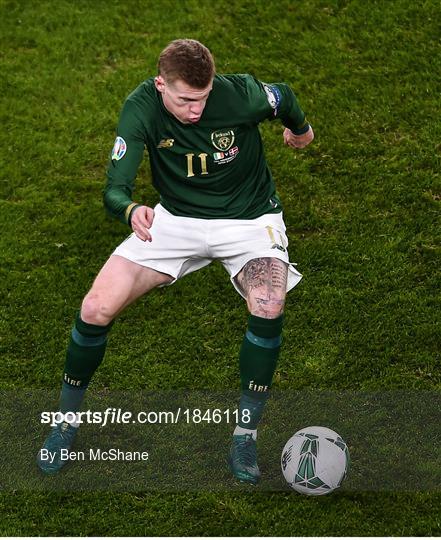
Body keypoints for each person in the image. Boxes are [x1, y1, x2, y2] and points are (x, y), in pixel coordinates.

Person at [37, 38, 314, 484]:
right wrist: (131, 210)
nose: (196, 111)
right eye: (185, 100)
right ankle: (65, 422)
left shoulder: (239, 93)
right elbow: (114, 188)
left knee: (268, 304)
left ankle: (245, 435)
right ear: (161, 83)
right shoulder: (141, 107)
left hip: (248, 219)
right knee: (95, 307)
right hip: (173, 221)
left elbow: (283, 95)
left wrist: (300, 129)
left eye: (202, 99)